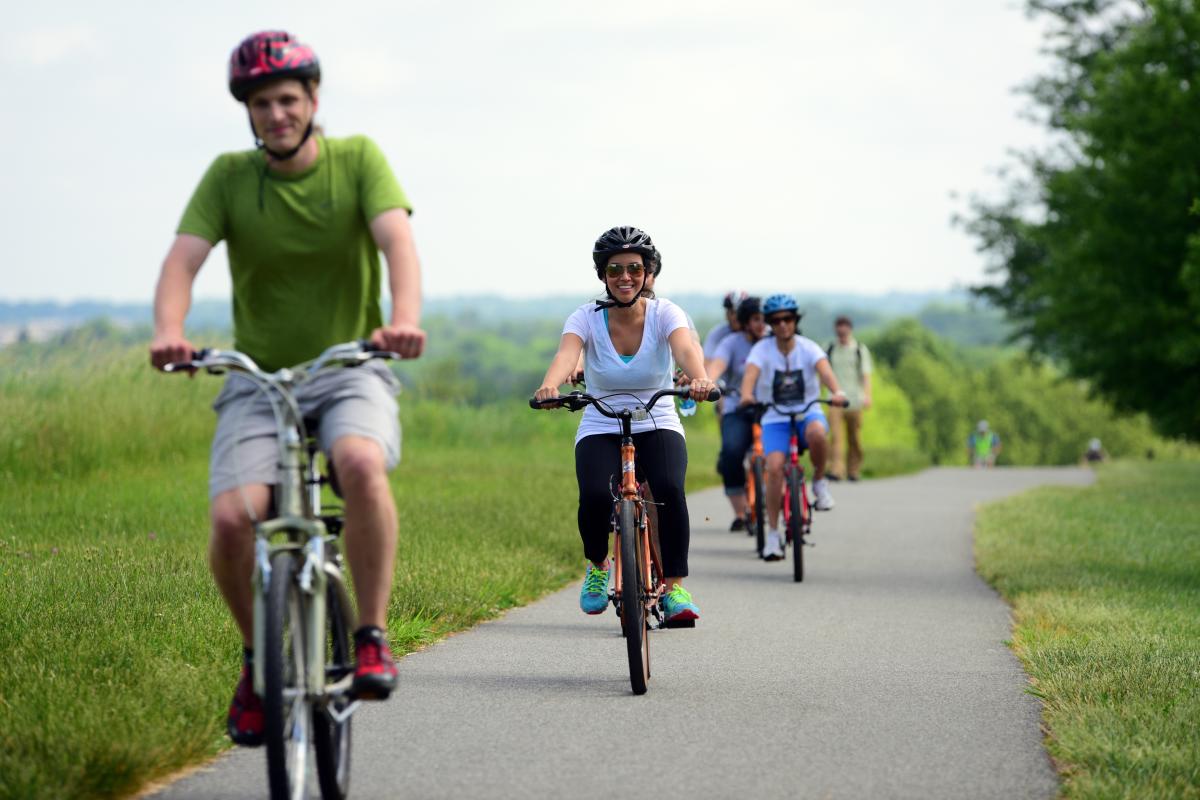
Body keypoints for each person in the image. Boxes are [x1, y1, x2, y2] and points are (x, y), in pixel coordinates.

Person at [149, 31, 426, 747]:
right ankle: (257, 661)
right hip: (259, 381)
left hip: (349, 368)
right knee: (233, 519)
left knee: (360, 464)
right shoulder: (229, 177)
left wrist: (401, 321)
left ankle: (369, 634)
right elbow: (182, 261)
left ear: (313, 101)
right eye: (262, 103)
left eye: (288, 100)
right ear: (248, 111)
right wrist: (169, 331)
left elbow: (396, 240)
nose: (276, 113)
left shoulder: (357, 160)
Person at [534, 226, 717, 624]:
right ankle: (599, 566)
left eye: (634, 268)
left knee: (668, 489)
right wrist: (550, 385)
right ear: (603, 275)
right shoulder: (586, 316)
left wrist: (699, 377)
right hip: (601, 420)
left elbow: (684, 348)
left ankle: (674, 588)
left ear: (646, 271)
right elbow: (567, 354)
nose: (625, 277)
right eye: (615, 269)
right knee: (596, 496)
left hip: (657, 417)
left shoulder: (665, 312)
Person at [739, 295, 846, 560]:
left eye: (787, 319)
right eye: (776, 321)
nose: (783, 325)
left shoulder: (809, 348)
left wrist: (836, 391)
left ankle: (820, 482)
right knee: (774, 467)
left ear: (795, 320)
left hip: (807, 412)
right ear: (770, 324)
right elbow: (750, 374)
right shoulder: (761, 350)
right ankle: (773, 535)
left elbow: (825, 371)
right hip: (775, 417)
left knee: (818, 433)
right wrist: (746, 394)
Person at [705, 296, 767, 530]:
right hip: (736, 407)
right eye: (755, 320)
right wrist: (708, 382)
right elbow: (715, 366)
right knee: (731, 454)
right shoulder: (729, 342)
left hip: (768, 408)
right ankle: (741, 512)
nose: (762, 325)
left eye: (764, 320)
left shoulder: (773, 340)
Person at [825, 315, 874, 481]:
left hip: (854, 399)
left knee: (854, 438)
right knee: (836, 437)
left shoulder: (859, 350)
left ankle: (853, 470)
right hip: (834, 399)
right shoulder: (830, 348)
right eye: (839, 330)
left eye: (844, 330)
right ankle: (837, 470)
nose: (842, 334)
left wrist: (867, 396)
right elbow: (823, 373)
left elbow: (866, 375)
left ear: (850, 330)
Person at [703, 291, 748, 356]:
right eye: (732, 312)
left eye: (739, 312)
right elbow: (707, 361)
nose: (735, 317)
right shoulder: (717, 334)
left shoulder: (757, 333)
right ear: (726, 315)